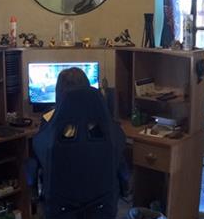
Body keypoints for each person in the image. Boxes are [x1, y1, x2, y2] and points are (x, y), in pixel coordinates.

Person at [27, 66, 130, 198]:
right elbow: (117, 155)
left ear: (59, 92)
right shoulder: (101, 121)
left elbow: (39, 152)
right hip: (100, 198)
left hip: (60, 199)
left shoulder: (49, 119)